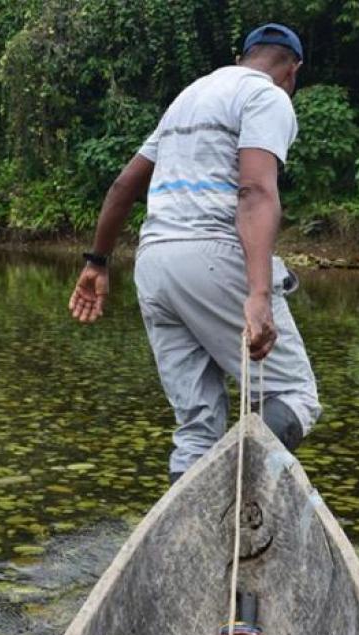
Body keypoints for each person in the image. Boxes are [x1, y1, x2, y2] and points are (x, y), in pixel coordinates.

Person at [68, 23, 322, 484]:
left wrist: (97, 261)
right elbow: (255, 191)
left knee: (197, 427)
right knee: (295, 396)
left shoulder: (188, 97)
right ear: (293, 71)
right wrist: (259, 294)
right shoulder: (266, 96)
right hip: (214, 256)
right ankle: (225, 495)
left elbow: (123, 185)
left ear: (242, 57)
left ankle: (191, 514)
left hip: (154, 263)